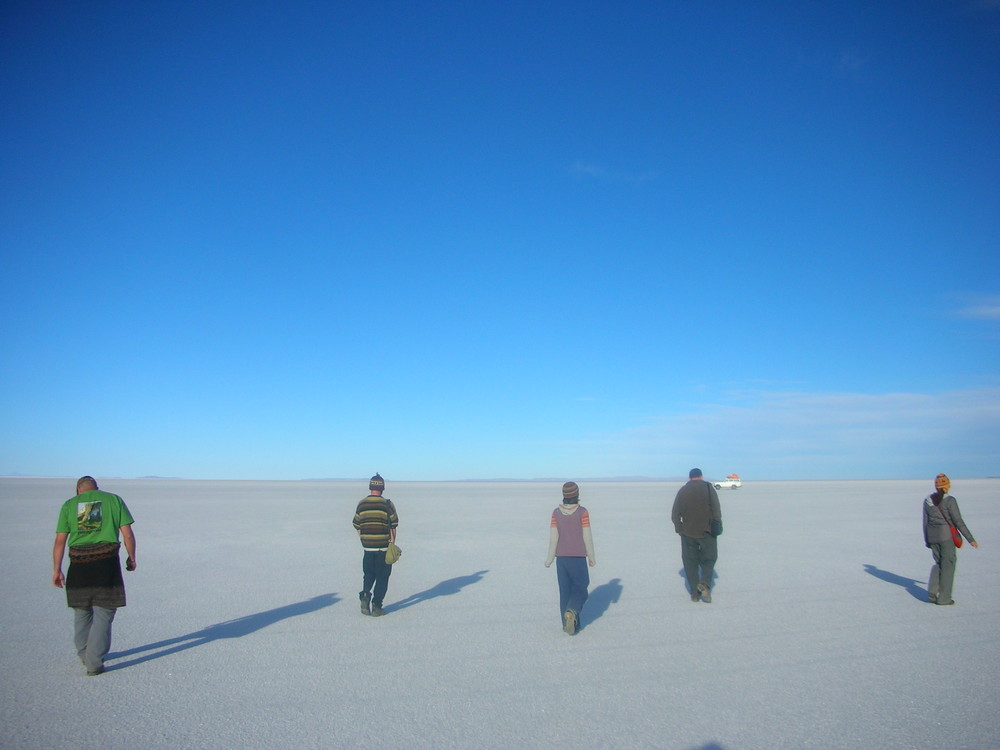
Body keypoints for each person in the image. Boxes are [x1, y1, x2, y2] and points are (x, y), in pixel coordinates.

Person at [52, 476, 136, 676]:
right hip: (106, 563)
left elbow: (59, 541)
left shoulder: (69, 505)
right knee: (104, 611)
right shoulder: (114, 500)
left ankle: (85, 653)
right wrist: (131, 558)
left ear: (78, 490)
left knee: (82, 610)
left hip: (78, 564)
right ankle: (94, 661)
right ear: (96, 488)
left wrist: (56, 569)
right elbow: (127, 534)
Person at [544, 481, 596, 635]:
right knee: (581, 588)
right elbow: (587, 537)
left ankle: (569, 624)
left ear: (564, 495)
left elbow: (554, 538)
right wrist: (591, 557)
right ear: (577, 495)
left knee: (565, 592)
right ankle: (572, 612)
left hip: (561, 559)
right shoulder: (582, 512)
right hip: (578, 557)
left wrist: (550, 558)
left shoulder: (556, 513)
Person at [923, 473, 978, 605]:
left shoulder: (927, 500)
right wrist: (970, 539)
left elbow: (925, 522)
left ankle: (932, 592)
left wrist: (927, 540)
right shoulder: (950, 501)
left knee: (939, 563)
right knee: (948, 565)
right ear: (947, 486)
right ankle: (944, 598)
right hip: (946, 537)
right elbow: (958, 521)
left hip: (932, 537)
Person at [671, 468, 722, 603]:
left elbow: (675, 514)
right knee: (709, 559)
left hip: (688, 533)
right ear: (701, 476)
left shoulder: (682, 491)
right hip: (708, 532)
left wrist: (679, 529)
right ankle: (704, 583)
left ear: (690, 478)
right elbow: (716, 509)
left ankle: (694, 593)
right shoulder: (708, 488)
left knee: (690, 562)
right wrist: (717, 524)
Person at [352, 473, 398, 617]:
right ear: (382, 488)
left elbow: (356, 524)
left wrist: (364, 539)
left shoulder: (362, 503)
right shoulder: (387, 504)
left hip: (367, 547)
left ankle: (365, 596)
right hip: (383, 547)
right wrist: (392, 544)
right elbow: (393, 526)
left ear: (370, 487)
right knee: (382, 577)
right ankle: (377, 606)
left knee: (368, 574)